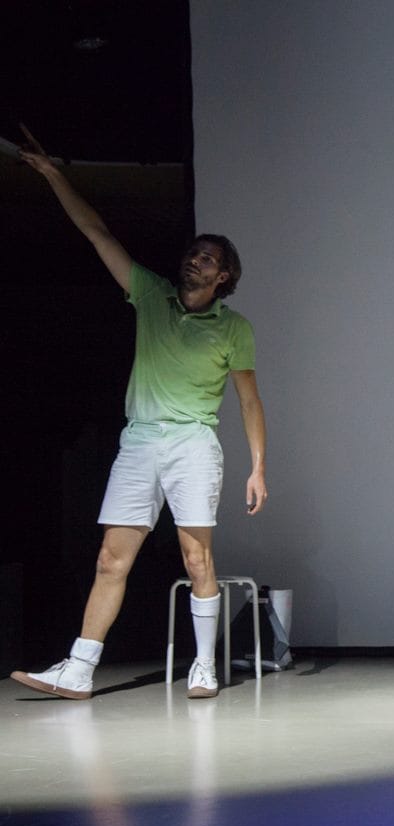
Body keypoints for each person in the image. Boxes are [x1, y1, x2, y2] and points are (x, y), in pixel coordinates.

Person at [9, 126, 268, 700]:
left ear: (224, 275)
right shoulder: (151, 295)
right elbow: (96, 231)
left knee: (196, 554)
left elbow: (249, 400)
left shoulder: (233, 328)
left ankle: (204, 666)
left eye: (207, 259)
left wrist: (257, 467)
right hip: (140, 441)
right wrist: (54, 175)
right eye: (193, 254)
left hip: (193, 442)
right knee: (110, 557)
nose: (194, 262)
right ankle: (79, 668)